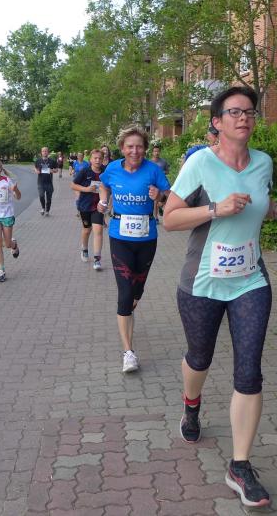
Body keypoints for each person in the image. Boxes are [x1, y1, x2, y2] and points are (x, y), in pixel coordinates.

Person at [163, 85, 277, 509]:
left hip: (250, 281)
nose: (244, 118)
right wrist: (214, 209)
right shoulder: (199, 163)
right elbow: (169, 218)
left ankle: (240, 465)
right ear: (217, 123)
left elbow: (258, 202)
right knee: (199, 358)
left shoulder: (264, 162)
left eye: (250, 112)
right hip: (202, 283)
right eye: (235, 112)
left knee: (249, 372)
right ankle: (191, 405)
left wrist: (276, 210)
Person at [98, 126, 171, 373]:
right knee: (125, 292)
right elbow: (104, 185)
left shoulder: (153, 170)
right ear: (122, 148)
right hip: (119, 237)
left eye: (139, 146)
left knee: (136, 292)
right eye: (130, 146)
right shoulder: (112, 169)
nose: (135, 151)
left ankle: (128, 312)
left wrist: (159, 196)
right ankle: (128, 352)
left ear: (145, 148)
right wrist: (103, 201)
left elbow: (169, 196)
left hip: (147, 238)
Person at [71, 149, 106, 270]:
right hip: (85, 205)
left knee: (98, 230)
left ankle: (97, 259)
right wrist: (86, 189)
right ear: (90, 159)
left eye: (100, 158)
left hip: (98, 206)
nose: (97, 160)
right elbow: (73, 185)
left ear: (103, 160)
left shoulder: (105, 172)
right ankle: (84, 248)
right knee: (87, 230)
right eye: (95, 158)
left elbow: (110, 187)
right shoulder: (84, 171)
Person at [34, 146, 57, 216]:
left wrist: (52, 170)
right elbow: (35, 168)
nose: (44, 152)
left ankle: (47, 210)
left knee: (49, 198)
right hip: (40, 182)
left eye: (46, 151)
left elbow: (56, 169)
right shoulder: (38, 161)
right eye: (43, 151)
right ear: (41, 152)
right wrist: (36, 171)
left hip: (49, 182)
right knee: (41, 196)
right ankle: (43, 208)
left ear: (48, 152)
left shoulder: (52, 161)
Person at [150, 145, 169, 223]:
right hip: (153, 183)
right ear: (152, 152)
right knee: (155, 200)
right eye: (155, 151)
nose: (156, 153)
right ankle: (156, 217)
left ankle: (160, 207)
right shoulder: (150, 163)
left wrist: (163, 172)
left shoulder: (163, 162)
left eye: (158, 151)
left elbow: (167, 171)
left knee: (165, 198)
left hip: (162, 183)